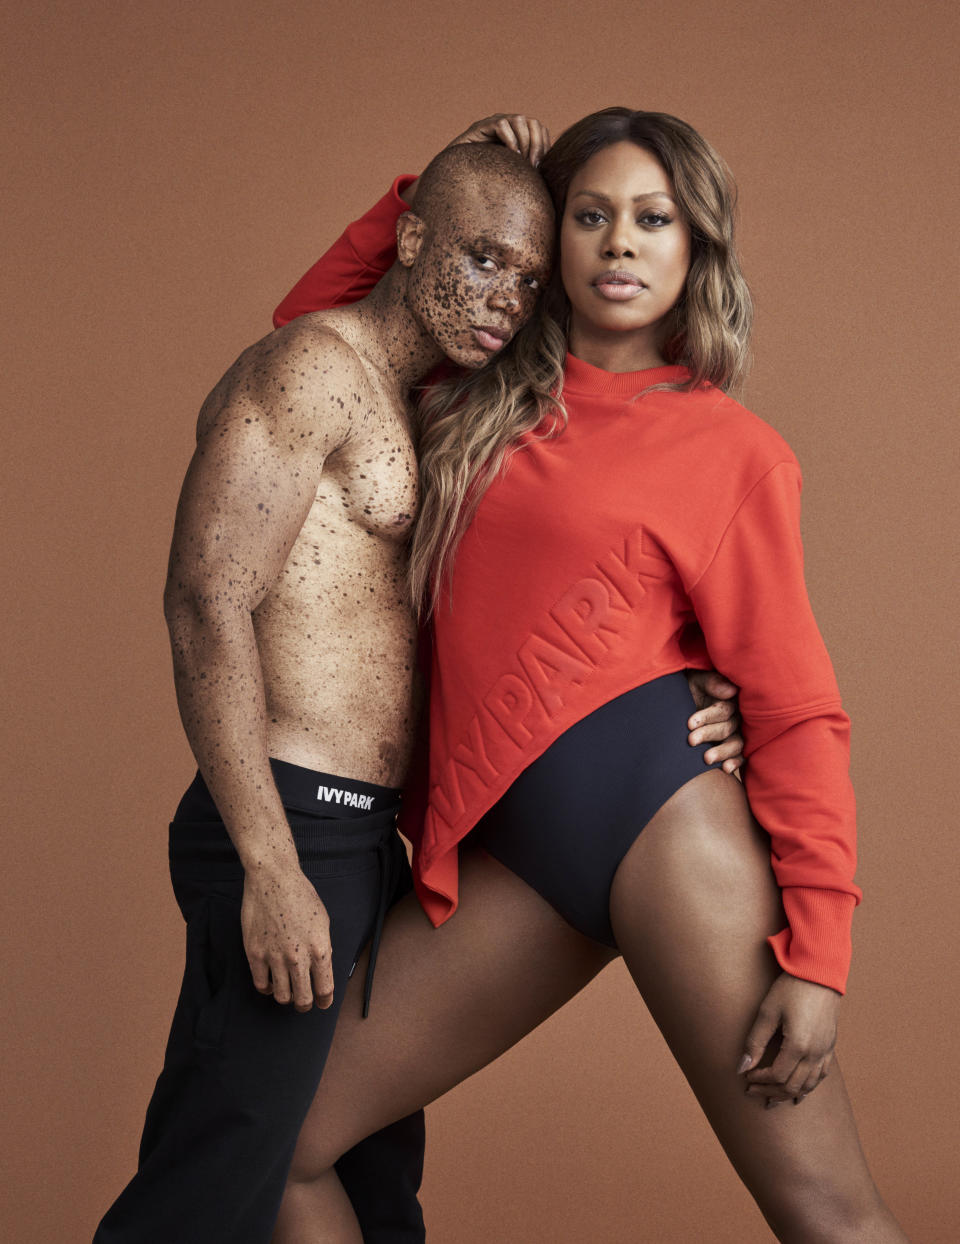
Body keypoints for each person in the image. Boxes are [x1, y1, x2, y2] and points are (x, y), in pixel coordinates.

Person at [267, 112, 908, 1242]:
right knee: (280, 1143)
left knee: (828, 1213)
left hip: (664, 819)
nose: (620, 243)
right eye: (591, 214)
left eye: (653, 219)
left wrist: (821, 956)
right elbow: (310, 333)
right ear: (549, 238)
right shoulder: (464, 394)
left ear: (693, 247)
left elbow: (798, 705)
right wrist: (446, 183)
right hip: (508, 851)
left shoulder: (732, 451)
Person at [92, 130, 742, 1244]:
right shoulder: (307, 368)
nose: (506, 299)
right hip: (292, 817)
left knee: (361, 1173)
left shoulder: (427, 399)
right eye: (481, 259)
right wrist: (269, 864)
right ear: (406, 237)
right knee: (216, 1179)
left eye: (527, 278)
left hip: (362, 835)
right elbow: (205, 602)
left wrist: (696, 677)